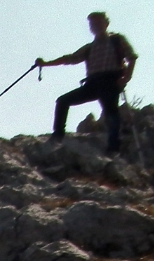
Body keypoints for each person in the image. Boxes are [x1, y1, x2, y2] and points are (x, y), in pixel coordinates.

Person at [37, 12, 137, 154]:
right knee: (63, 101)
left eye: (98, 23)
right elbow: (70, 59)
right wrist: (46, 64)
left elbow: (132, 58)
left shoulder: (117, 41)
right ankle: (58, 135)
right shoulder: (89, 48)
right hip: (93, 83)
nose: (95, 26)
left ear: (106, 24)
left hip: (110, 81)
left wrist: (125, 78)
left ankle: (113, 147)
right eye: (92, 24)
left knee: (110, 111)